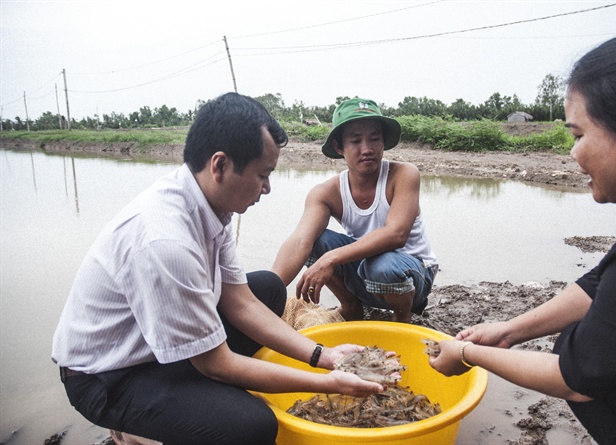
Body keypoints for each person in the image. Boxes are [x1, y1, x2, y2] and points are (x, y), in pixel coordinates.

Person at [51, 93, 386, 445]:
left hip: (159, 348)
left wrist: (325, 357)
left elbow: (240, 302)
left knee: (268, 288)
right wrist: (326, 382)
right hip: (109, 376)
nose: (268, 188)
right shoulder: (165, 240)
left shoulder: (213, 206)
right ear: (220, 165)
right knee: (252, 426)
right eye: (263, 175)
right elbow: (215, 363)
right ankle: (132, 428)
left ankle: (187, 406)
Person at [429, 29, 616, 444]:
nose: (572, 154)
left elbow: (576, 378)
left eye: (578, 135)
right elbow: (604, 282)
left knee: (580, 348)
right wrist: (507, 331)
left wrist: (468, 353)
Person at [272, 98, 438, 323]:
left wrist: (331, 259)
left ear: (383, 142)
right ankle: (351, 306)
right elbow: (300, 241)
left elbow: (396, 235)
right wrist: (269, 290)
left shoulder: (404, 175)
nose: (367, 149)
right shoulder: (326, 192)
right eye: (355, 141)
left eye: (374, 139)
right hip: (366, 272)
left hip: (412, 275)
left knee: (383, 265)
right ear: (340, 147)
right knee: (317, 241)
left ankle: (402, 318)